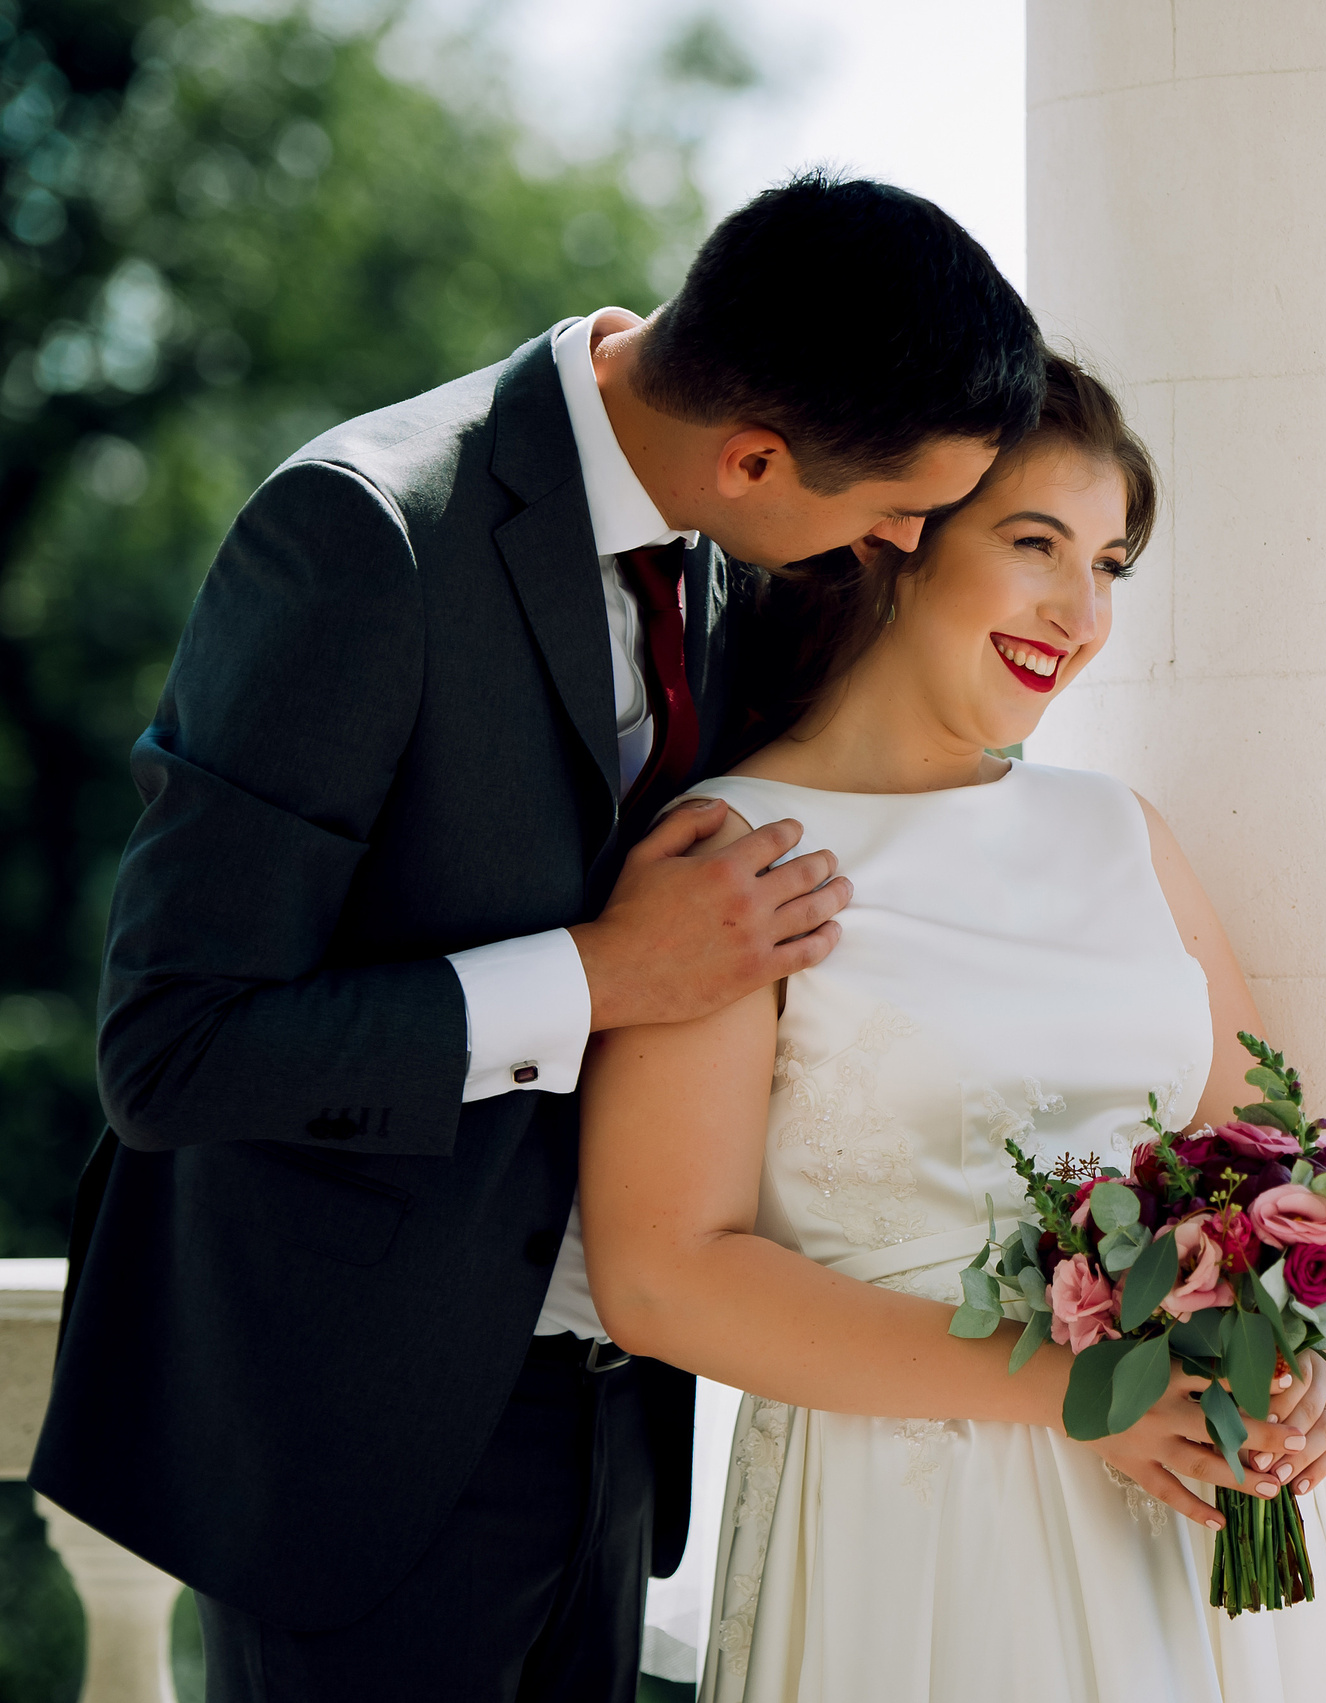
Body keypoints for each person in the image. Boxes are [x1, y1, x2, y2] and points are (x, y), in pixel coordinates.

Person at [30, 172, 1047, 1702]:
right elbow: (172, 1048)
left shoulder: (727, 538)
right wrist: (603, 974)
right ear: (757, 453)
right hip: (356, 1441)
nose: (904, 541)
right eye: (892, 506)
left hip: (617, 1420)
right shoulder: (363, 537)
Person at [578, 351, 1326, 1701]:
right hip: (918, 1547)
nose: (1083, 609)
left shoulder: (1122, 835)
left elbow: (1264, 1157)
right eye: (1036, 543)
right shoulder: (735, 856)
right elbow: (662, 1278)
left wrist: (1294, 1356)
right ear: (898, 538)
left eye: (1112, 562)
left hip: (1195, 1555)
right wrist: (1065, 1392)